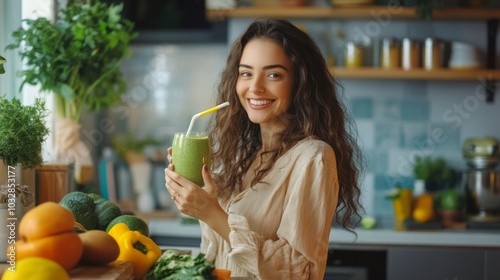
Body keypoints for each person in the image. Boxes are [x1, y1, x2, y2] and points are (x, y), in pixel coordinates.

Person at [164, 17, 363, 279]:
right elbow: (218, 252)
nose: (255, 87)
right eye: (246, 73)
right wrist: (198, 197)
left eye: (273, 75)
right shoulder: (241, 156)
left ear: (300, 82)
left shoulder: (313, 158)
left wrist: (211, 213)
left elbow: (296, 271)